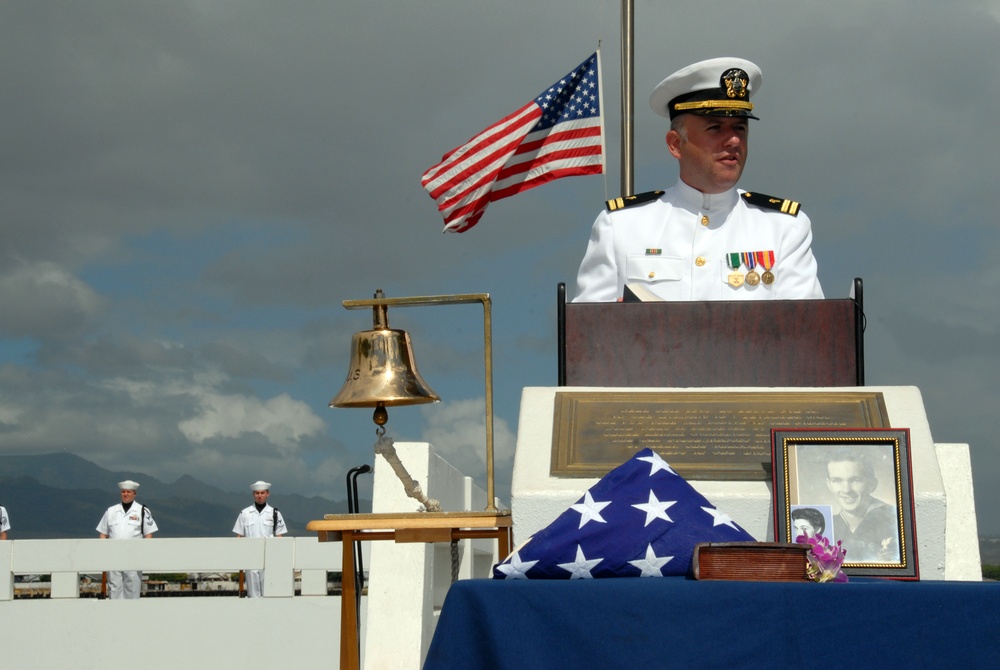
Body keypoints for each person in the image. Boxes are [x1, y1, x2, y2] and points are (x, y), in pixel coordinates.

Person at [574, 57, 824, 302]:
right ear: (675, 144)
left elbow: (807, 331)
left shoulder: (784, 228)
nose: (734, 140)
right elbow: (584, 334)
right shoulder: (621, 226)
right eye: (715, 128)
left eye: (740, 128)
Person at [825, 450, 898, 563]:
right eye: (837, 480)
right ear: (829, 485)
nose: (846, 490)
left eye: (855, 480)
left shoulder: (894, 519)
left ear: (872, 484)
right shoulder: (826, 525)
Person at [96, 479, 158, 599]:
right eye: (123, 492)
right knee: (114, 588)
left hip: (134, 556)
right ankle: (115, 615)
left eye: (128, 492)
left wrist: (144, 553)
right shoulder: (111, 511)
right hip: (114, 556)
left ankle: (131, 615)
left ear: (134, 494)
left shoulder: (142, 511)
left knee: (132, 587)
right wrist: (104, 553)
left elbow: (149, 534)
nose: (125, 494)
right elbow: (103, 534)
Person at [232, 480, 287, 597]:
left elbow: (279, 537)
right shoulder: (245, 513)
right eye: (257, 493)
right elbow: (239, 536)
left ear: (268, 494)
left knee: (269, 591)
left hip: (269, 556)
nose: (259, 496)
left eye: (262, 493)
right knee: (253, 593)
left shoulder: (274, 513)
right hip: (250, 556)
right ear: (253, 495)